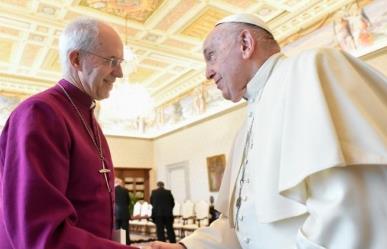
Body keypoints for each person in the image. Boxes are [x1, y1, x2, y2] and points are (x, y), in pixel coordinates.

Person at [150, 13, 387, 249]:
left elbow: (353, 206)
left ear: (245, 44)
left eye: (211, 56)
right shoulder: (245, 128)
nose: (207, 72)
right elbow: (243, 223)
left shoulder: (309, 68)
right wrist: (186, 247)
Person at [0, 17, 138, 248]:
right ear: (76, 59)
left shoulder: (87, 115)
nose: (120, 73)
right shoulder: (41, 113)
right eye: (112, 61)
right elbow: (40, 235)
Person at [115, 178, 131, 245]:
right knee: (125, 229)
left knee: (116, 229)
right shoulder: (125, 190)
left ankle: (117, 244)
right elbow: (128, 201)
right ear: (120, 183)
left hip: (115, 212)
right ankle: (127, 244)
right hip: (124, 212)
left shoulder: (112, 190)